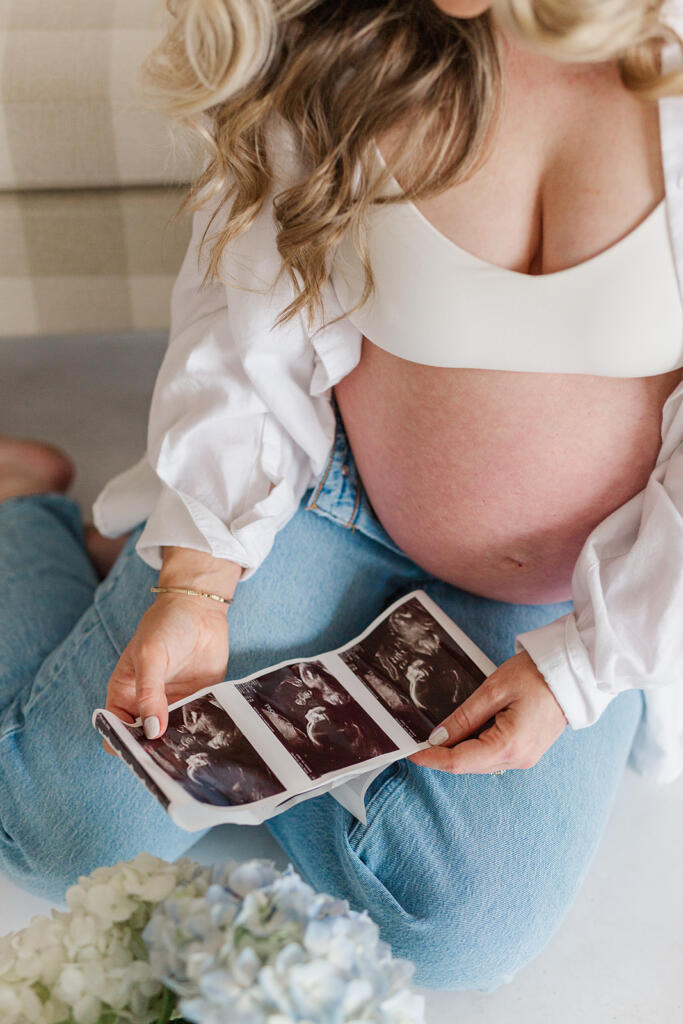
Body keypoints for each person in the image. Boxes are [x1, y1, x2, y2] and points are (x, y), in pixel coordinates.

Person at [1, 0, 682, 993]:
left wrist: (582, 669)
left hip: (565, 592)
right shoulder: (360, 43)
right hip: (326, 502)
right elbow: (246, 334)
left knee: (463, 927)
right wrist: (197, 583)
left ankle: (293, 734)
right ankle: (23, 507)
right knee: (66, 831)